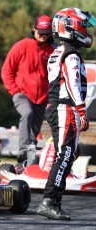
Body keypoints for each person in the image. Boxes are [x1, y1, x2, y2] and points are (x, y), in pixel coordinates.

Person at [37, 8, 95, 220]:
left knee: (68, 153)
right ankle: (50, 201)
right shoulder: (71, 54)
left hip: (56, 107)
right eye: (84, 26)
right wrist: (81, 110)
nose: (87, 31)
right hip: (65, 108)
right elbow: (71, 82)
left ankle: (51, 200)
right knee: (66, 155)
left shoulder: (57, 51)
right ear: (72, 28)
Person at [1, 14, 56, 170]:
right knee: (27, 113)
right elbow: (6, 70)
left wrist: (52, 97)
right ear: (33, 29)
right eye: (40, 33)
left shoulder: (53, 51)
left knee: (35, 131)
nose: (43, 36)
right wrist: (14, 90)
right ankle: (23, 151)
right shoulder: (21, 46)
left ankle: (27, 163)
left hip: (42, 98)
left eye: (47, 33)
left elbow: (55, 76)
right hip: (21, 93)